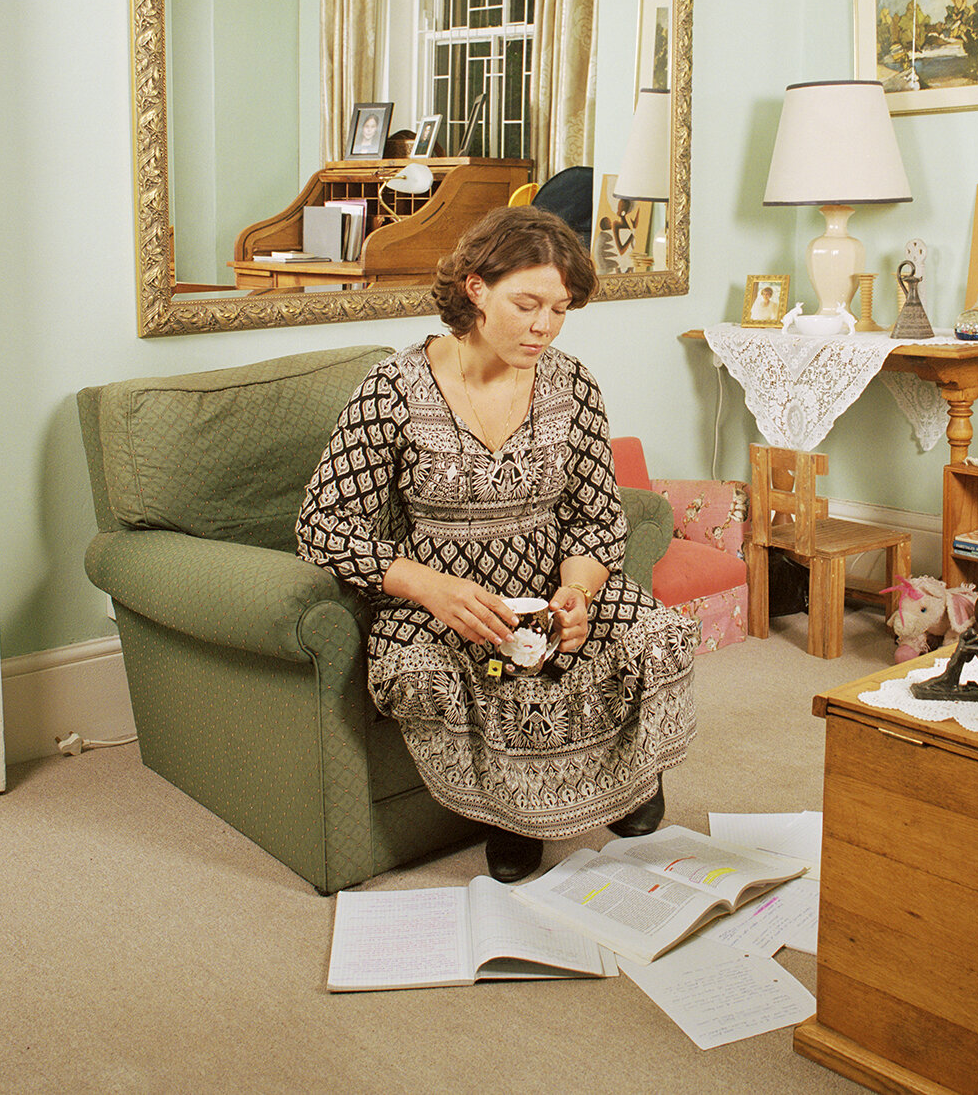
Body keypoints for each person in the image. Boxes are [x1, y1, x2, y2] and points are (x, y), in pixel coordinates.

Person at [294, 206, 698, 882]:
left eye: (560, 309)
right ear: (475, 289)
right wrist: (430, 588)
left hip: (549, 577)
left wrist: (577, 593)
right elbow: (322, 526)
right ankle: (508, 816)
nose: (543, 327)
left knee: (656, 634)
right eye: (526, 303)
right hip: (441, 596)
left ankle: (633, 778)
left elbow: (598, 519)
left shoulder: (571, 384)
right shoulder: (391, 389)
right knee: (435, 677)